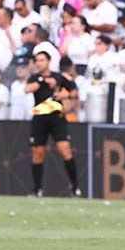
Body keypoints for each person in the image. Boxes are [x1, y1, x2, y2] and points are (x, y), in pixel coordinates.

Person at [26, 51, 80, 198]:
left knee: (65, 150)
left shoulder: (59, 77)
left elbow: (74, 92)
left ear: (49, 61)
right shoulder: (34, 78)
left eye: (42, 60)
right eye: (37, 60)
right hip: (39, 119)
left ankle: (75, 188)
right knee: (38, 154)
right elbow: (27, 89)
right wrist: (43, 82)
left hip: (57, 118)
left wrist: (65, 95)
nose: (39, 63)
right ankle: (37, 189)